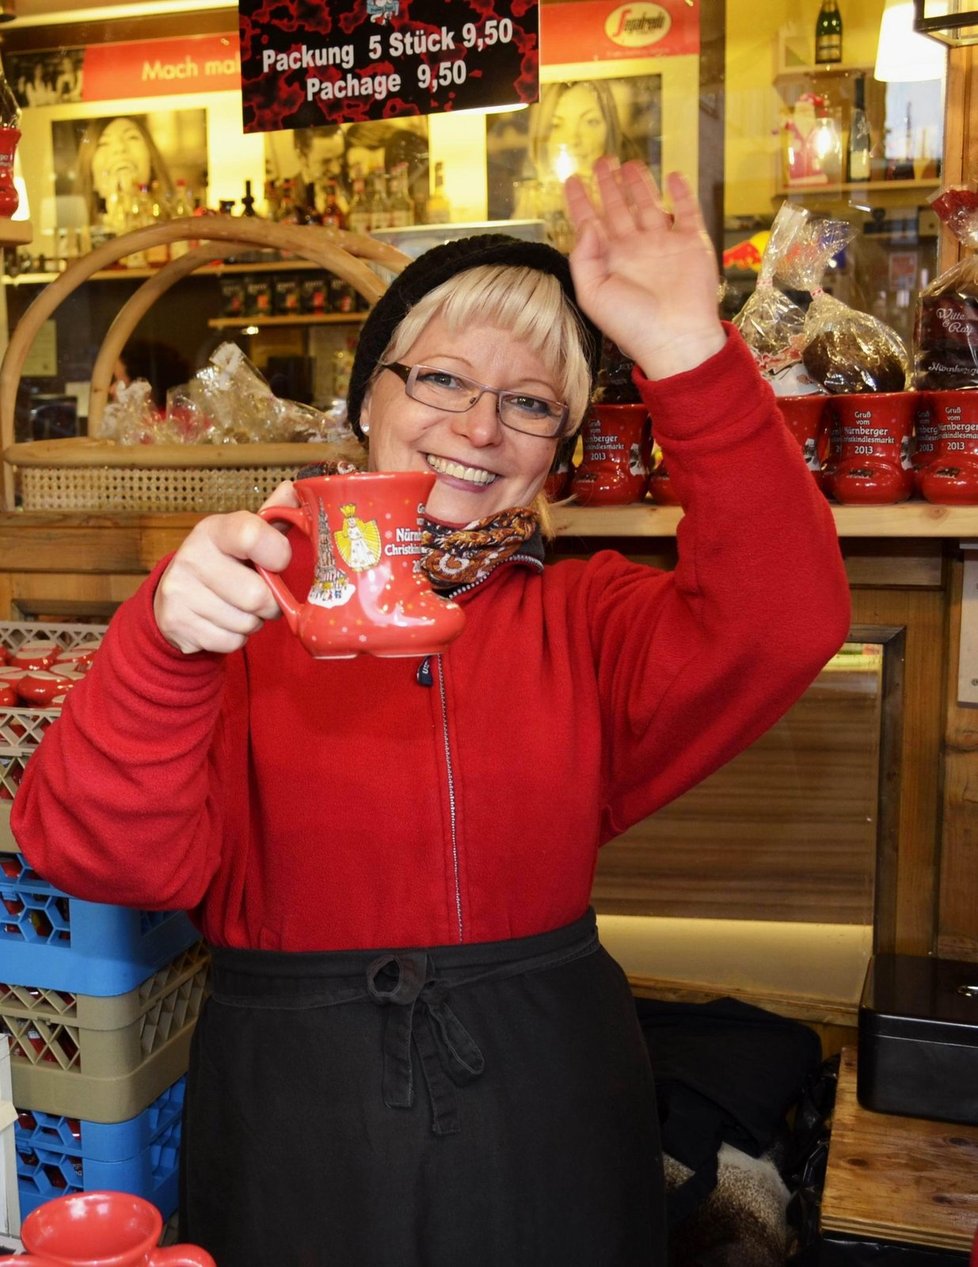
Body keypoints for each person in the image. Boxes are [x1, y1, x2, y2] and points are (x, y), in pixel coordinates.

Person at [11, 158, 850, 1266]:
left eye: (531, 402)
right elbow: (92, 850)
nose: (481, 426)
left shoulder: (589, 619)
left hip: (551, 1099)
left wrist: (690, 352)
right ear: (368, 399)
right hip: (291, 1116)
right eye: (442, 379)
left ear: (559, 446)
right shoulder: (238, 594)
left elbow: (786, 616)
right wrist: (164, 645)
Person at [74, 115, 175, 233]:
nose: (119, 148)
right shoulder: (74, 241)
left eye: (131, 137)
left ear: (151, 159)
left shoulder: (176, 228)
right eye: (103, 143)